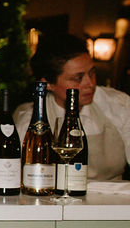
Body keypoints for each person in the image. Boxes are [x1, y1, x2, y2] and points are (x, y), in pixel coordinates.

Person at [14, 32, 130, 180]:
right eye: (78, 78)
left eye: (92, 73)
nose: (90, 84)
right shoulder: (29, 119)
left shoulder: (117, 104)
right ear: (48, 84)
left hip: (113, 200)